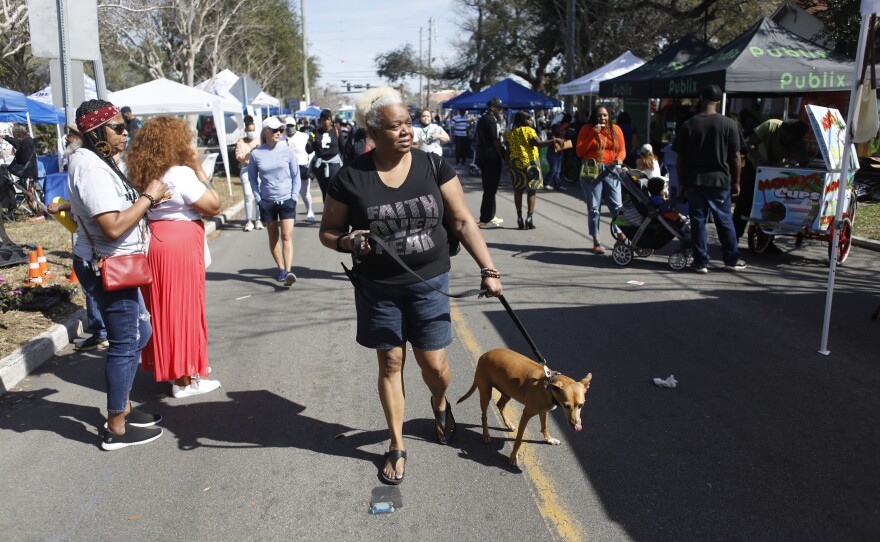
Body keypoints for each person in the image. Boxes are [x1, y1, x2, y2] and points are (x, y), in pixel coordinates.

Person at [318, 87, 502, 485]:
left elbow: (463, 222)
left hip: (430, 282)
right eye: (395, 125)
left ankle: (439, 402)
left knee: (433, 364)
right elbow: (328, 233)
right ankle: (397, 443)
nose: (406, 130)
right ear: (373, 130)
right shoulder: (350, 178)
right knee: (390, 362)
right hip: (378, 287)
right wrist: (348, 241)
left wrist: (488, 268)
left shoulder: (432, 166)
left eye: (408, 122)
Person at [68, 98, 169, 450]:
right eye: (118, 128)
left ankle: (122, 406)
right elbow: (111, 227)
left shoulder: (98, 160)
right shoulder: (91, 168)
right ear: (96, 132)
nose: (126, 132)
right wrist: (148, 197)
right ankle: (116, 427)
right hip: (110, 266)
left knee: (140, 332)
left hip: (118, 263)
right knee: (126, 342)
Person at [126, 116, 223, 398]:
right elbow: (214, 205)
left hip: (157, 242)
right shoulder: (179, 173)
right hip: (179, 245)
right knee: (185, 311)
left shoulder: (143, 171)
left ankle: (177, 371)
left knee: (165, 310)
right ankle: (184, 379)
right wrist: (198, 169)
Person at [673, 84, 746, 273]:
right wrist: (736, 182)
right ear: (718, 101)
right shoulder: (729, 125)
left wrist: (681, 183)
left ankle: (701, 262)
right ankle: (731, 259)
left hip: (694, 180)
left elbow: (680, 158)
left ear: (701, 98)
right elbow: (736, 157)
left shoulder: (688, 125)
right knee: (724, 220)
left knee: (698, 222)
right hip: (720, 181)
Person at [734, 118, 810, 247]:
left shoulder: (797, 143)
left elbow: (804, 162)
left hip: (775, 171)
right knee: (745, 201)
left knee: (775, 205)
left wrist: (797, 169)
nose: (786, 140)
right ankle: (733, 239)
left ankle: (767, 243)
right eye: (785, 136)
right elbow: (751, 144)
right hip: (755, 167)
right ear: (781, 130)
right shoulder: (771, 125)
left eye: (791, 140)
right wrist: (759, 160)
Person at [248, 117, 301, 286]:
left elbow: (296, 176)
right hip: (267, 201)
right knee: (273, 235)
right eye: (275, 130)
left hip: (286, 199)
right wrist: (259, 199)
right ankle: (281, 269)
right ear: (266, 131)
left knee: (286, 235)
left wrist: (293, 197)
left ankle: (289, 270)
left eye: (281, 130)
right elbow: (252, 179)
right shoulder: (256, 154)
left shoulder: (287, 151)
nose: (279, 132)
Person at [576, 106, 626, 254]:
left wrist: (619, 159)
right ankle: (596, 241)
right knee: (594, 208)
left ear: (609, 116)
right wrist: (593, 133)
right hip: (592, 171)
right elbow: (580, 151)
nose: (602, 118)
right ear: (594, 117)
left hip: (611, 170)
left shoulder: (616, 129)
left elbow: (622, 149)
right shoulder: (586, 129)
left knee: (618, 207)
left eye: (605, 115)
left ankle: (621, 237)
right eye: (599, 116)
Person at [506, 111, 560, 229]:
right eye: (529, 119)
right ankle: (529, 218)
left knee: (518, 190)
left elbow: (508, 150)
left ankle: (519, 217)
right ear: (524, 120)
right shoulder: (529, 131)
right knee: (531, 191)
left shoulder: (510, 133)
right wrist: (554, 141)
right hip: (531, 164)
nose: (531, 121)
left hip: (516, 164)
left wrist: (507, 164)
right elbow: (538, 143)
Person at [475, 97, 507, 229]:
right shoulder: (491, 120)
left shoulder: (483, 119)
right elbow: (496, 141)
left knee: (491, 188)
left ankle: (491, 216)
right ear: (492, 108)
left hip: (483, 156)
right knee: (490, 189)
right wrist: (504, 157)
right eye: (499, 108)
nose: (501, 110)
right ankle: (485, 219)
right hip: (491, 157)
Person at [286, 116, 316, 222]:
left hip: (302, 167)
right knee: (290, 193)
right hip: (288, 169)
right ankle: (291, 215)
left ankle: (310, 211)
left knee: (304, 192)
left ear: (295, 126)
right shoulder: (282, 138)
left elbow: (311, 151)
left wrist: (310, 166)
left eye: (291, 125)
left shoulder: (303, 136)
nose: (289, 128)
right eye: (287, 126)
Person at [235, 118, 263, 232]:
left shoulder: (259, 140)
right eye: (249, 130)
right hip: (246, 168)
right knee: (248, 195)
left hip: (259, 169)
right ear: (246, 130)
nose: (251, 132)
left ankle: (258, 219)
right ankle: (248, 221)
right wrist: (249, 153)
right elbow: (238, 156)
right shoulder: (241, 142)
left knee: (258, 195)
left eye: (253, 130)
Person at [310, 109, 343, 200]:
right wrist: (310, 141)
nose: (326, 122)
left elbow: (343, 148)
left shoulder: (336, 131)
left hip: (334, 162)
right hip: (320, 163)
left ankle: (336, 210)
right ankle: (326, 209)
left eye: (328, 119)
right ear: (320, 120)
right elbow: (309, 150)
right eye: (323, 119)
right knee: (324, 189)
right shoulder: (315, 133)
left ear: (331, 120)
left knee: (333, 187)